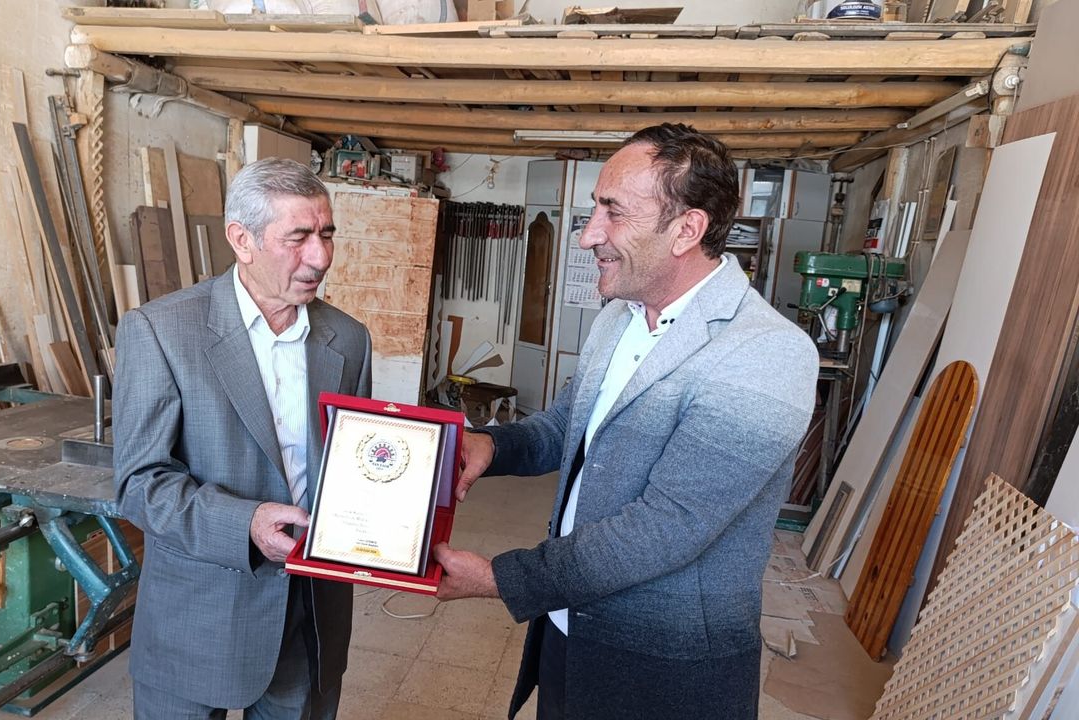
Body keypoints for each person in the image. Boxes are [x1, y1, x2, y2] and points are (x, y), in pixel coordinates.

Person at [433, 124, 818, 719]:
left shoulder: (766, 352)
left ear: (687, 229)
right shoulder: (620, 316)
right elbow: (568, 427)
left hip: (663, 668)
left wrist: (502, 580)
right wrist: (493, 445)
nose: (588, 235)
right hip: (568, 628)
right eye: (595, 209)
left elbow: (668, 526)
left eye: (613, 212)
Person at [113, 157, 372, 719]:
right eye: (298, 238)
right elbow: (139, 484)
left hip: (307, 618)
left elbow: (353, 470)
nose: (321, 257)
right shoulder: (161, 331)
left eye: (327, 235)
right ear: (241, 240)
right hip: (197, 616)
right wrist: (245, 524)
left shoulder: (348, 339)